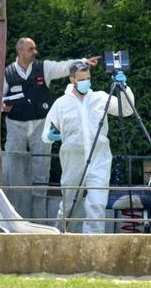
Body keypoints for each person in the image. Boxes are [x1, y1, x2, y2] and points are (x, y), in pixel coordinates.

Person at [0, 38, 97, 219]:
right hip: (15, 126)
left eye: (35, 48)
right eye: (30, 49)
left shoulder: (43, 68)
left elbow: (63, 67)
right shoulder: (7, 73)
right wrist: (2, 106)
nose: (35, 52)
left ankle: (39, 219)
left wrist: (83, 62)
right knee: (15, 168)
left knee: (41, 170)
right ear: (20, 51)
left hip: (40, 125)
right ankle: (15, 217)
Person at [42, 60, 134, 233]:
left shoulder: (99, 98)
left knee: (97, 205)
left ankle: (93, 245)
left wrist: (124, 89)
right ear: (72, 80)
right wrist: (50, 135)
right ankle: (60, 239)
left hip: (99, 160)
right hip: (73, 161)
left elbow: (126, 110)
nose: (86, 82)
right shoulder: (61, 104)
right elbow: (46, 133)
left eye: (88, 78)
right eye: (82, 79)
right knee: (69, 206)